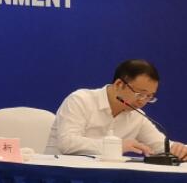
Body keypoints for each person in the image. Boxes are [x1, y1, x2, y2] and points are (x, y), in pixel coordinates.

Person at [45, 59, 187, 158]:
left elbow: (161, 146)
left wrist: (179, 150)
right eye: (140, 94)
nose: (143, 101)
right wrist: (115, 146)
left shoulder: (137, 116)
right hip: (60, 176)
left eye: (149, 97)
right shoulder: (81, 100)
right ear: (119, 84)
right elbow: (67, 143)